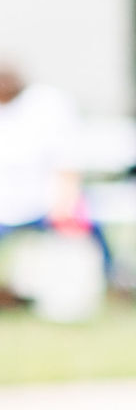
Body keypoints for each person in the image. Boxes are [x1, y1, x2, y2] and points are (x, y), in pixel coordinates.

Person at [0, 58, 110, 275]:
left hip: (47, 199)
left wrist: (64, 204)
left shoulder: (47, 104)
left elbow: (67, 161)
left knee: (84, 222)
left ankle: (112, 279)